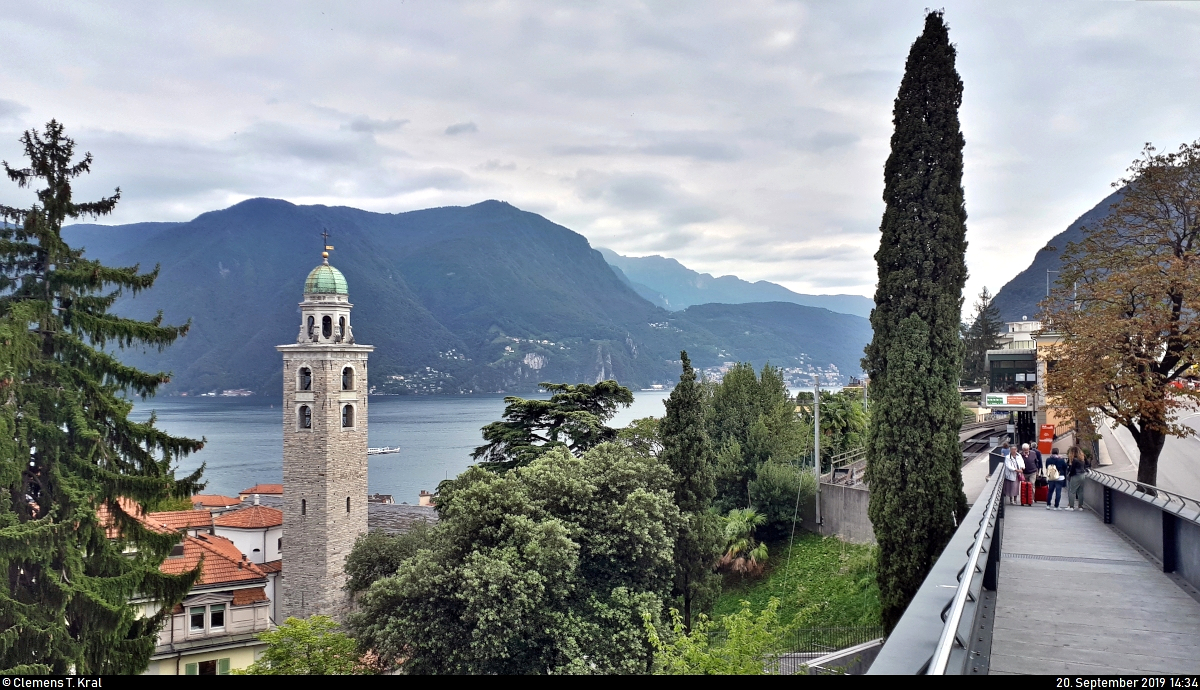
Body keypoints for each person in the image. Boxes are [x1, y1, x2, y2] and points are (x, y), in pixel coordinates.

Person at [1066, 446, 1090, 511]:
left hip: (1075, 475)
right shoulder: (1082, 457)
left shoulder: (1074, 460)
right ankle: (1080, 506)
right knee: (1080, 491)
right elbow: (1088, 464)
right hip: (1082, 475)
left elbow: (1072, 469)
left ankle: (1071, 506)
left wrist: (1069, 475)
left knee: (1072, 491)